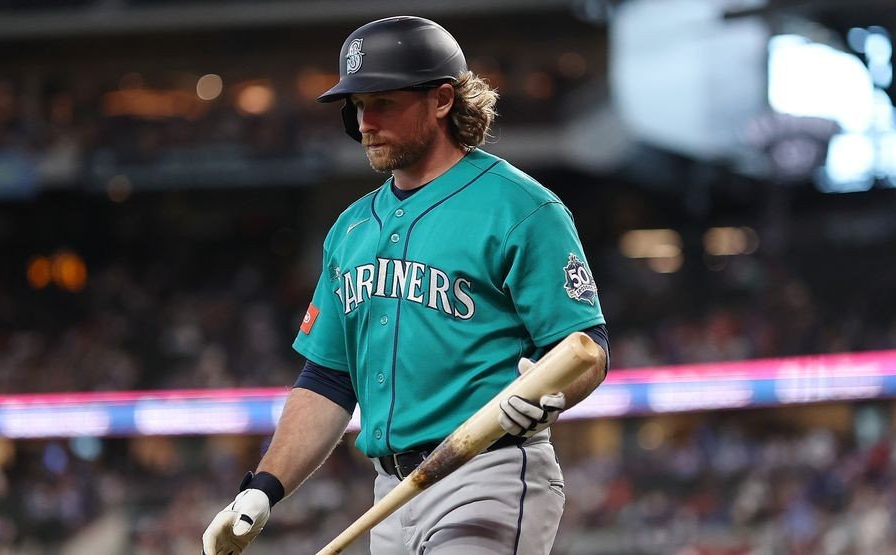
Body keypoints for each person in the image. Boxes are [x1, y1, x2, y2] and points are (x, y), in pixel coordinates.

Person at [202, 15, 609, 555]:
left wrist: (546, 393)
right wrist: (262, 488)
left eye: (383, 102)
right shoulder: (349, 228)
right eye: (357, 106)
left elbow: (588, 348)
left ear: (442, 100)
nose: (365, 121)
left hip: (486, 472)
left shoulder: (521, 207)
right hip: (389, 495)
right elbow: (328, 379)